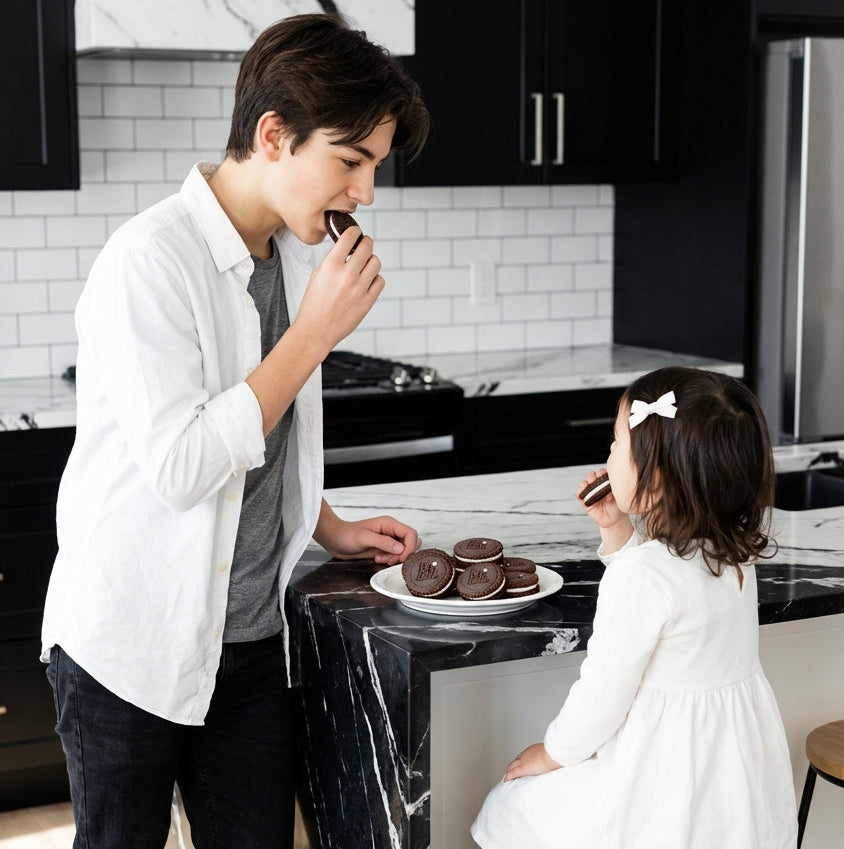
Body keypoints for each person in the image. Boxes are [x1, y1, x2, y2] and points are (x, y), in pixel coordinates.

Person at [41, 13, 428, 849]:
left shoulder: (293, 256)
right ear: (273, 134)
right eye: (351, 161)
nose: (364, 192)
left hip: (248, 644)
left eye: (373, 167)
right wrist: (311, 336)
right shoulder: (148, 261)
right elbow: (183, 467)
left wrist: (329, 524)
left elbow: (264, 438)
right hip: (130, 641)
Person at [471, 366, 798, 848]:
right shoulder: (732, 556)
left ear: (657, 475)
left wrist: (552, 753)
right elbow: (668, 601)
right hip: (729, 770)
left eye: (617, 442)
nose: (608, 455)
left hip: (661, 775)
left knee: (510, 808)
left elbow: (603, 694)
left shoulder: (642, 576)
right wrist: (615, 531)